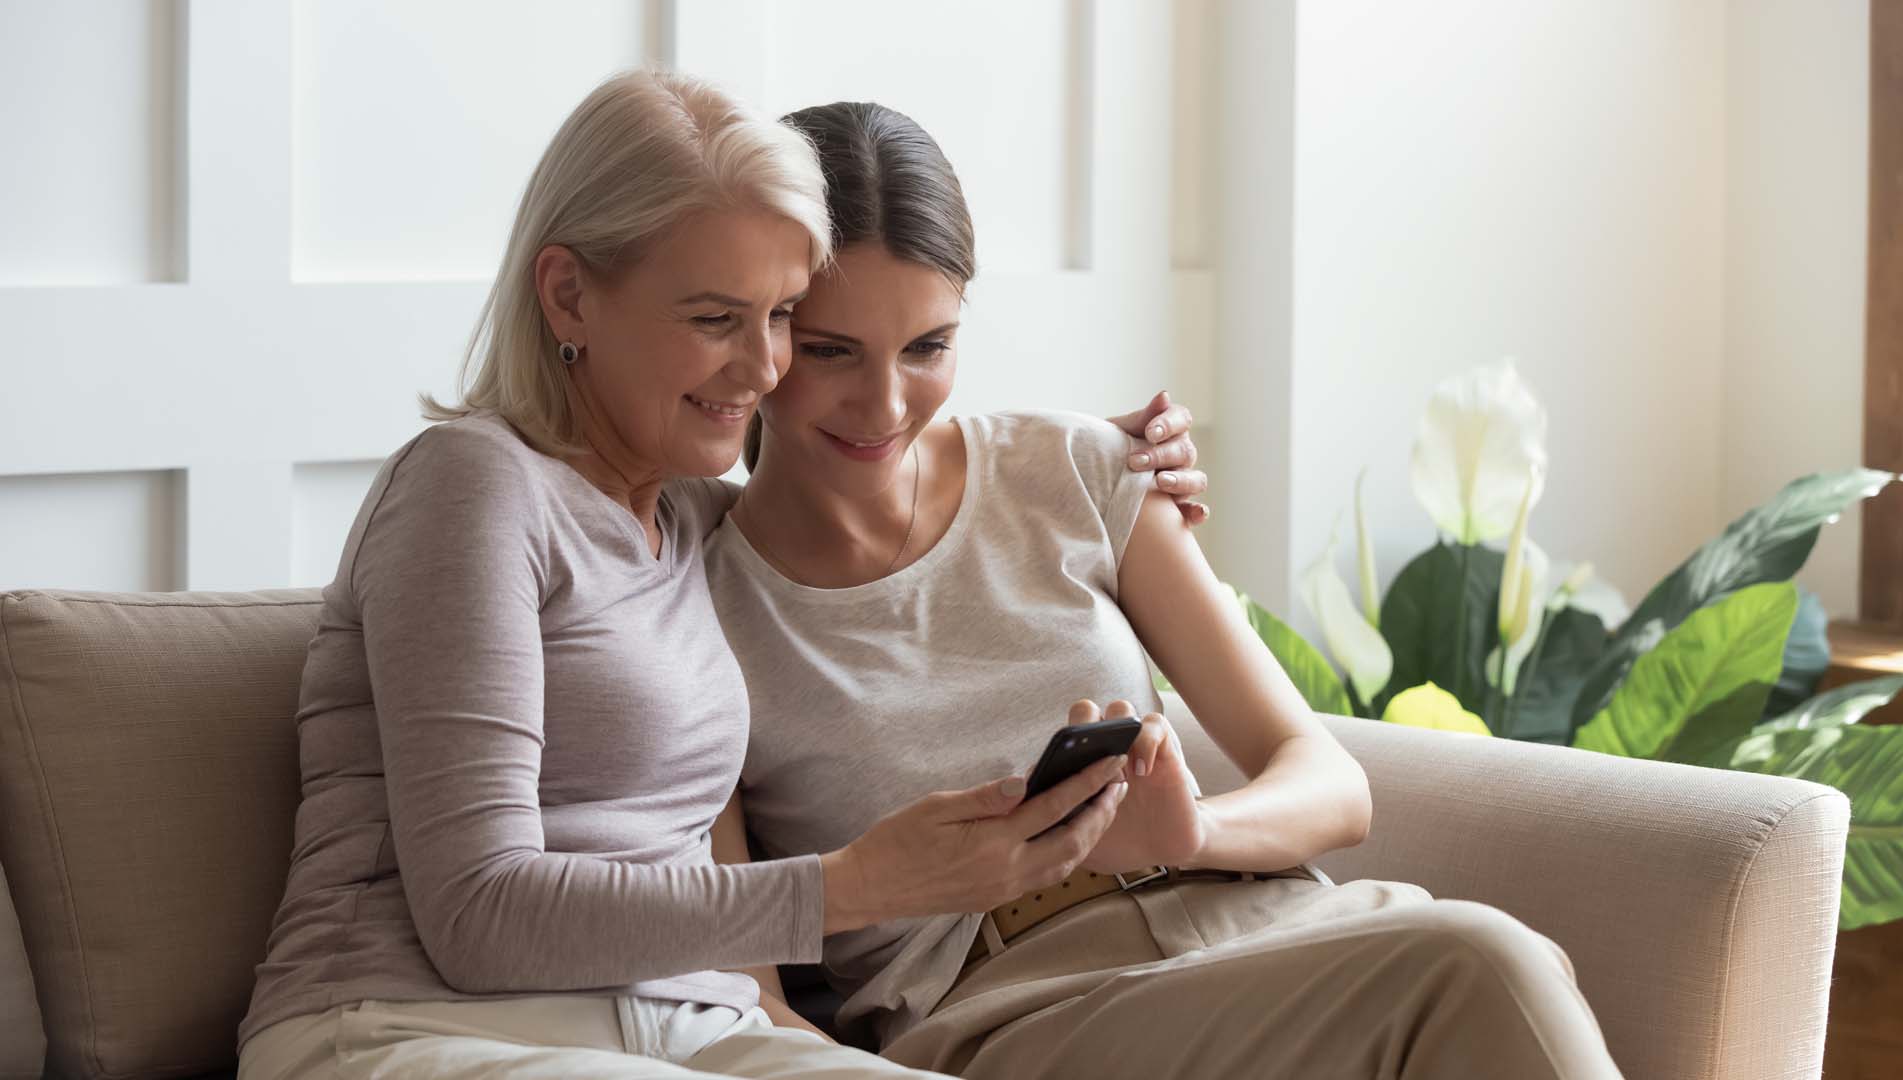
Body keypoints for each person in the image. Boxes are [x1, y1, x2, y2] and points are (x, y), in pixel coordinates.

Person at [235, 70, 1202, 1080]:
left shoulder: (694, 527)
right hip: (418, 1026)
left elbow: (882, 461)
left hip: (694, 1031)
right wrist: (849, 886)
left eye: (782, 315)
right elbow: (478, 916)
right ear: (568, 293)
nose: (765, 367)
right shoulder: (472, 485)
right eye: (713, 320)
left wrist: (1109, 462)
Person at [704, 101, 1625, 1080]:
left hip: (1275, 928)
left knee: (1493, 964)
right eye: (832, 351)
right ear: (758, 328)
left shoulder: (1079, 469)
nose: (886, 404)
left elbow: (1329, 780)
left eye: (927, 347)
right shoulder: (697, 601)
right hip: (1012, 1009)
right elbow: (739, 982)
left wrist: (1198, 830)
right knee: (1487, 963)